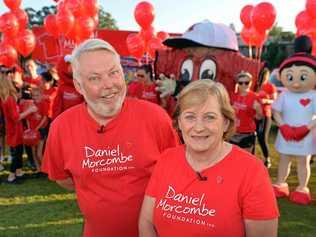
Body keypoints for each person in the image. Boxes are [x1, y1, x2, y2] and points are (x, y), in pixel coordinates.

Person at [42, 39, 179, 237]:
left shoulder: (155, 117)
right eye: (95, 78)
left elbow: (176, 171)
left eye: (113, 73)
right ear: (79, 86)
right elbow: (62, 179)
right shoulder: (61, 128)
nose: (108, 85)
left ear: (123, 74)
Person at [139, 79, 279, 237]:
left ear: (226, 122)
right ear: (179, 122)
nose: (198, 127)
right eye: (190, 117)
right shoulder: (167, 159)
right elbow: (146, 222)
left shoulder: (251, 171)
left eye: (210, 117)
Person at [272, 35, 316, 205]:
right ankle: (281, 184)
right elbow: (276, 110)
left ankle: (302, 187)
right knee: (284, 159)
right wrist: (283, 126)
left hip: (305, 135)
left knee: (303, 162)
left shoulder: (313, 96)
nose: (296, 83)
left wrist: (306, 127)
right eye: (291, 77)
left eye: (302, 77)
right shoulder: (285, 95)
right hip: (286, 133)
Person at [0, 74, 37, 183]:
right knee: (17, 153)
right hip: (15, 129)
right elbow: (16, 118)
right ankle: (11, 176)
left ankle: (19, 172)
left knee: (18, 152)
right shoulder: (9, 99)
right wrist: (30, 110)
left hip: (14, 128)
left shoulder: (7, 98)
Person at [229, 71, 262, 154]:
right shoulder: (233, 96)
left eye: (246, 83)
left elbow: (259, 117)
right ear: (237, 83)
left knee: (246, 159)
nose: (243, 85)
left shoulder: (254, 97)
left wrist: (258, 110)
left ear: (250, 83)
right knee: (232, 158)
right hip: (233, 132)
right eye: (241, 83)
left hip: (247, 133)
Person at [256, 68, 277, 168]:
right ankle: (253, 157)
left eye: (265, 76)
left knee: (262, 137)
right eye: (262, 75)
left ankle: (267, 158)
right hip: (255, 115)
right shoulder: (256, 86)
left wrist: (266, 101)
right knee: (254, 137)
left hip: (266, 114)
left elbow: (275, 100)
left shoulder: (270, 86)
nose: (263, 78)